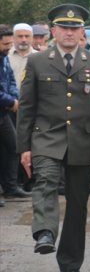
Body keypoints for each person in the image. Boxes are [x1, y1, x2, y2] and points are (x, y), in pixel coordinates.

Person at [17, 4, 90, 272]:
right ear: (53, 31)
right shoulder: (37, 61)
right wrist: (23, 147)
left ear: (81, 31)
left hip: (84, 140)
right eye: (64, 28)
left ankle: (70, 263)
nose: (69, 33)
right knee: (45, 181)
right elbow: (26, 107)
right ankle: (45, 233)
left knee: (78, 204)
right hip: (46, 137)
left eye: (74, 28)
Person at [1, 25, 29, 205]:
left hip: (4, 112)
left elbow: (10, 80)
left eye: (10, 43)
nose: (8, 47)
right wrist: (10, 102)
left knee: (13, 147)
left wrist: (15, 98)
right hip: (5, 106)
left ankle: (11, 187)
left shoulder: (4, 58)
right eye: (5, 44)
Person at [9, 23, 35, 90]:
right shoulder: (5, 56)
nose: (24, 40)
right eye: (20, 36)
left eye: (27, 36)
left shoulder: (39, 57)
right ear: (13, 37)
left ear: (32, 37)